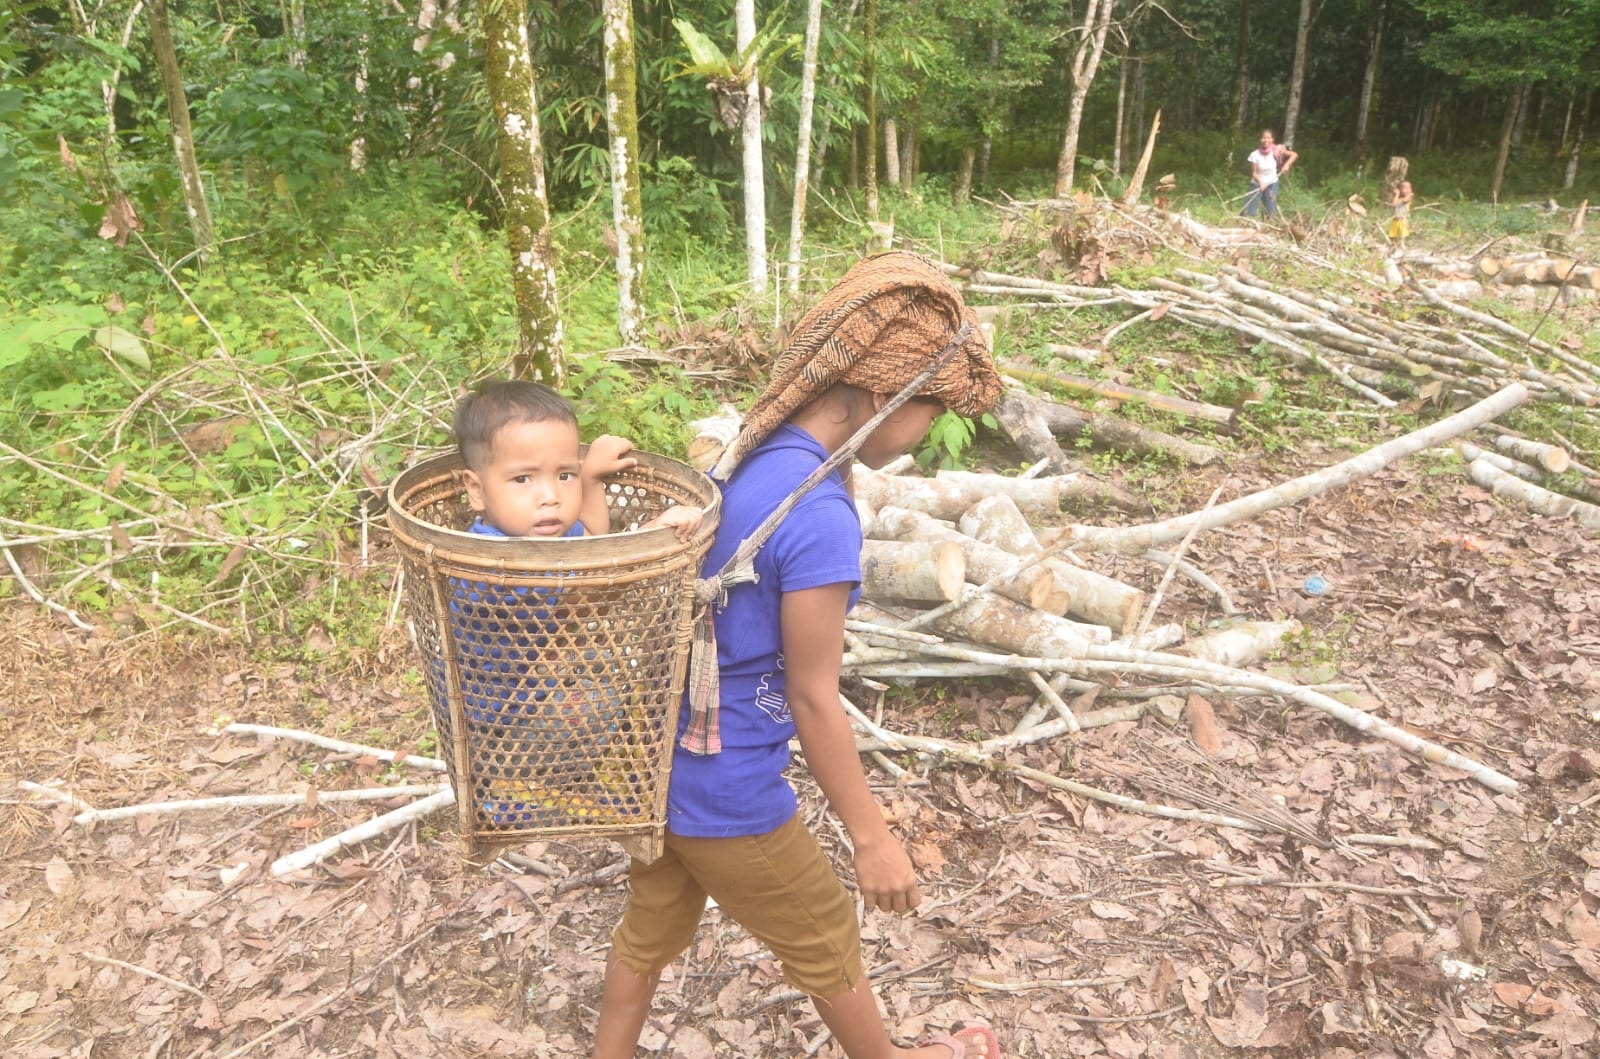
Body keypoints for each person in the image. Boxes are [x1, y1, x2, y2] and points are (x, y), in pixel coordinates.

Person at [592, 251, 1006, 1059]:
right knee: (822, 928)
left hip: (658, 768)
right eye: (932, 411)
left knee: (650, 932)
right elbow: (815, 697)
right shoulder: (817, 516)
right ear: (885, 395)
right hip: (727, 787)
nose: (929, 433)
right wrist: (872, 836)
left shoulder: (757, 454)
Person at [448, 380, 704, 824]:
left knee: (606, 660)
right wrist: (655, 533)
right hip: (495, 730)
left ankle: (550, 772)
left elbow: (591, 541)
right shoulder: (493, 560)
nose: (550, 495)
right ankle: (512, 789)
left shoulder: (534, 527)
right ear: (476, 490)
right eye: (523, 479)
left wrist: (589, 479)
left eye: (562, 475)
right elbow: (591, 587)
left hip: (532, 689)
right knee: (610, 683)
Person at [1241, 129, 1298, 220]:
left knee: (1270, 212)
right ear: (1260, 139)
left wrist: (1287, 165)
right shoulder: (1254, 155)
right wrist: (1261, 182)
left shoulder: (1277, 151)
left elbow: (1294, 155)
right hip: (1257, 184)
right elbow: (1254, 173)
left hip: (1272, 184)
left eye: (1268, 138)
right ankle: (1244, 224)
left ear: (1272, 139)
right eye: (1263, 138)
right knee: (1247, 211)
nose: (1266, 140)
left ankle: (1268, 225)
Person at [1387, 179, 1414, 251]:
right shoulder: (1398, 197)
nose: (1408, 190)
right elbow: (1394, 204)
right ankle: (1392, 245)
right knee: (1392, 233)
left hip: (1403, 218)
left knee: (1403, 233)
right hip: (1396, 218)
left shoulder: (1409, 196)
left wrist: (1397, 195)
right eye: (1405, 188)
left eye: (1409, 188)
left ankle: (1402, 244)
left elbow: (1395, 203)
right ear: (1400, 189)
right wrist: (1397, 195)